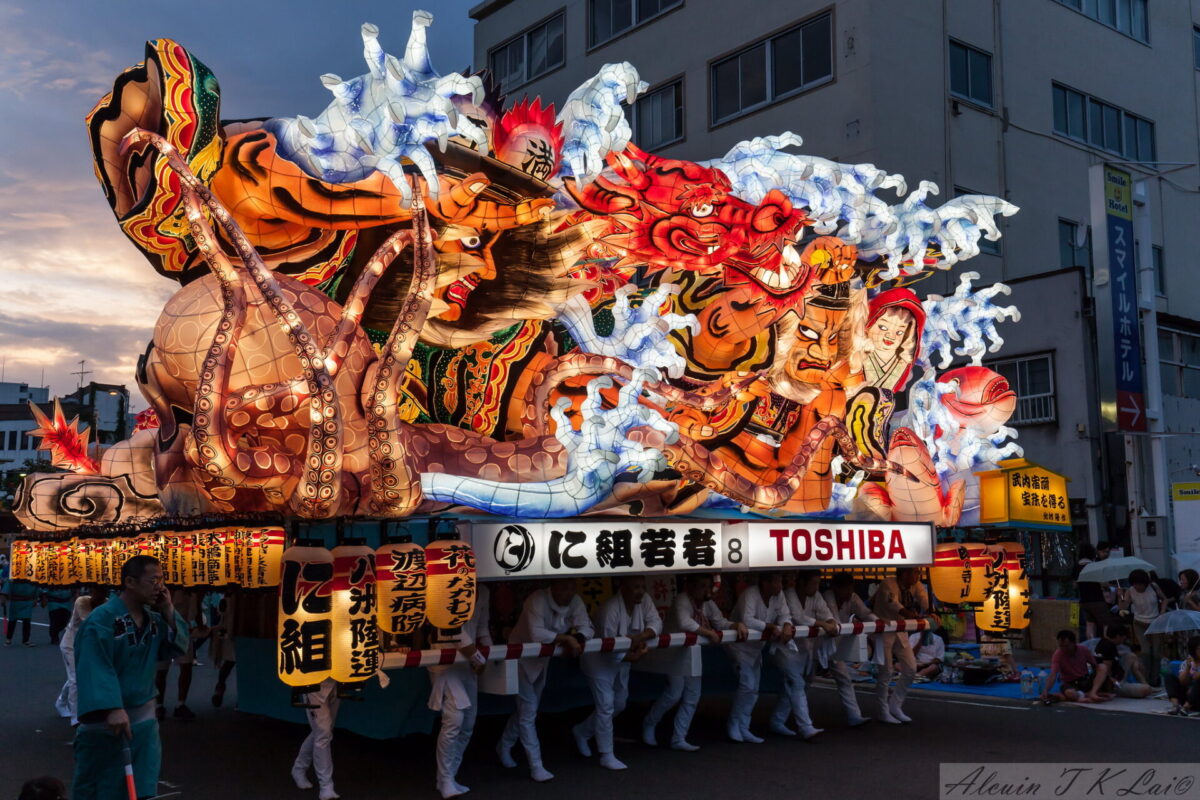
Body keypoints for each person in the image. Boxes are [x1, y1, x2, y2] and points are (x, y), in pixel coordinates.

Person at [72, 555, 188, 800]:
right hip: (108, 720)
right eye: (153, 580)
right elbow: (96, 666)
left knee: (142, 787)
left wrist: (168, 609)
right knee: (101, 787)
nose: (160, 586)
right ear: (130, 582)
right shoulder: (101, 620)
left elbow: (177, 647)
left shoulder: (153, 619)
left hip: (144, 720)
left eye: (162, 580)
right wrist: (112, 706)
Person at [497, 578, 593, 783]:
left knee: (527, 709)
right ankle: (536, 765)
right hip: (520, 655)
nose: (568, 592)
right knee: (528, 710)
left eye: (571, 587)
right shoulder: (537, 599)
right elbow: (536, 633)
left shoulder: (575, 601)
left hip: (542, 658)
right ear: (553, 587)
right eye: (563, 587)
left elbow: (587, 626)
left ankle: (504, 744)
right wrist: (567, 638)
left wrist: (579, 639)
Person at [643, 574, 746, 751]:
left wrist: (735, 625)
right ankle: (649, 723)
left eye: (708, 586)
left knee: (693, 694)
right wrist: (707, 632)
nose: (706, 590)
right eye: (702, 586)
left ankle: (678, 738)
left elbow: (720, 622)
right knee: (674, 693)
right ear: (690, 586)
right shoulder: (682, 599)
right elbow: (685, 623)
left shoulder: (708, 603)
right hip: (671, 652)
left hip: (691, 651)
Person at [575, 576, 662, 770]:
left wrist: (638, 638)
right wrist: (634, 653)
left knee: (619, 703)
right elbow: (609, 646)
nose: (640, 590)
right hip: (598, 659)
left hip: (624, 656)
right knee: (606, 704)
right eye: (635, 587)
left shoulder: (644, 600)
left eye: (642, 586)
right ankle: (606, 754)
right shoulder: (611, 609)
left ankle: (582, 731)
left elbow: (656, 623)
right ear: (622, 588)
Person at [429, 583, 492, 798]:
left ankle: (448, 776)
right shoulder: (446, 585)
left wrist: (490, 654)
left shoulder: (483, 591)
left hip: (468, 665)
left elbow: (482, 628)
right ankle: (446, 780)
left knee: (468, 723)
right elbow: (451, 629)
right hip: (445, 663)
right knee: (453, 721)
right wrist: (478, 657)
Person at [770, 570, 838, 739]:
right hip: (784, 648)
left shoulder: (816, 596)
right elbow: (798, 618)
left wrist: (830, 624)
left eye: (817, 583)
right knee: (797, 683)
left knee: (794, 686)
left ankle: (777, 721)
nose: (816, 587)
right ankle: (806, 727)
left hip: (804, 649)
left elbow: (827, 614)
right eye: (813, 583)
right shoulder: (789, 595)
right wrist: (823, 624)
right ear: (801, 583)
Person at [726, 573, 790, 743]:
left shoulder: (779, 595)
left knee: (754, 689)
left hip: (756, 647)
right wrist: (769, 626)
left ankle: (744, 726)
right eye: (777, 580)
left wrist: (786, 625)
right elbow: (747, 620)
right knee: (746, 685)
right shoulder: (750, 594)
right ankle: (734, 724)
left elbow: (785, 614)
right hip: (739, 646)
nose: (780, 585)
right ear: (766, 583)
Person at [871, 566, 932, 724]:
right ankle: (882, 711)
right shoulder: (888, 583)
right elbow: (894, 604)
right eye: (915, 572)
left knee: (911, 668)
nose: (918, 575)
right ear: (905, 573)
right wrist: (911, 615)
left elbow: (924, 597)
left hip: (901, 629)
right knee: (886, 671)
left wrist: (932, 611)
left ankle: (895, 706)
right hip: (884, 629)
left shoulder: (915, 584)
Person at [821, 572, 876, 726]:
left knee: (844, 679)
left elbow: (866, 613)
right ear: (836, 588)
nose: (848, 592)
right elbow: (834, 620)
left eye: (850, 589)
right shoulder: (827, 597)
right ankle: (788, 719)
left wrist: (878, 622)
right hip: (816, 645)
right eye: (845, 589)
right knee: (803, 681)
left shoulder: (852, 598)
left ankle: (854, 716)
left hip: (835, 647)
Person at [56, 585, 108, 726]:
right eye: (98, 590)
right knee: (75, 679)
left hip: (87, 646)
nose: (102, 593)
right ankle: (76, 717)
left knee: (75, 676)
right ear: (92, 591)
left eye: (104, 590)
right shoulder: (82, 601)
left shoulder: (106, 603)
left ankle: (61, 701)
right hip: (70, 645)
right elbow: (91, 622)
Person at [155, 587, 207, 720]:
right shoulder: (169, 586)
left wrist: (201, 626)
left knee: (186, 666)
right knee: (162, 670)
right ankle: (159, 705)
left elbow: (197, 610)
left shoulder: (197, 590)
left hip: (183, 628)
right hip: (165, 628)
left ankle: (180, 704)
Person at [290, 678, 341, 800]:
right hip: (313, 680)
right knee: (323, 732)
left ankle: (299, 768)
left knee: (324, 731)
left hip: (338, 677)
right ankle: (326, 786)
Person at [1120, 569, 1167, 687]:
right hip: (1139, 623)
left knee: (1156, 652)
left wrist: (1162, 611)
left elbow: (1164, 599)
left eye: (1140, 584)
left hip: (1155, 622)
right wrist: (1119, 596)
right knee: (1145, 651)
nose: (1138, 587)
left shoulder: (1153, 587)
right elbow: (1123, 607)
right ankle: (1145, 679)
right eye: (1135, 584)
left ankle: (1155, 680)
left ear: (1145, 583)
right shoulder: (1130, 591)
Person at [1089, 624, 1154, 701]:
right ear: (1118, 636)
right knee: (1146, 689)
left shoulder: (1103, 642)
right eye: (1123, 637)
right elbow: (1107, 671)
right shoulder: (1109, 647)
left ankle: (1144, 682)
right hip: (1113, 684)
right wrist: (1111, 686)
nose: (1124, 640)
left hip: (1117, 676)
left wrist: (1136, 663)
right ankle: (1145, 686)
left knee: (1131, 656)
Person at [1041, 629, 1098, 703]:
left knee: (1103, 668)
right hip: (1070, 683)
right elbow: (1053, 675)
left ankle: (1090, 693)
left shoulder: (1083, 649)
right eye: (1061, 646)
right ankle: (1085, 695)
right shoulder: (1058, 654)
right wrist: (1045, 690)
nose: (1063, 649)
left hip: (1085, 680)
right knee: (1070, 693)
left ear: (1074, 643)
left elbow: (1095, 665)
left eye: (1066, 646)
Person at [208, 592, 237, 708]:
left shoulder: (226, 599)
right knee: (230, 662)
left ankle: (220, 688)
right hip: (231, 630)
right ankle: (220, 688)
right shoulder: (226, 599)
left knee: (229, 663)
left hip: (229, 629)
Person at [1164, 635, 1200, 716]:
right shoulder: (1187, 662)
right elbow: (1182, 681)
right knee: (1169, 677)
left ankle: (1186, 707)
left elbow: (1196, 678)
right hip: (1186, 695)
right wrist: (1188, 667)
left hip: (1198, 698)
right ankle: (1175, 705)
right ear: (1193, 650)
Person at [4, 578, 36, 646]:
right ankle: (8, 638)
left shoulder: (31, 576)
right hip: (16, 602)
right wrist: (3, 597)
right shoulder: (14, 577)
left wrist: (36, 598)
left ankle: (26, 640)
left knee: (27, 621)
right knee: (12, 621)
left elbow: (36, 586)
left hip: (27, 602)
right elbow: (7, 586)